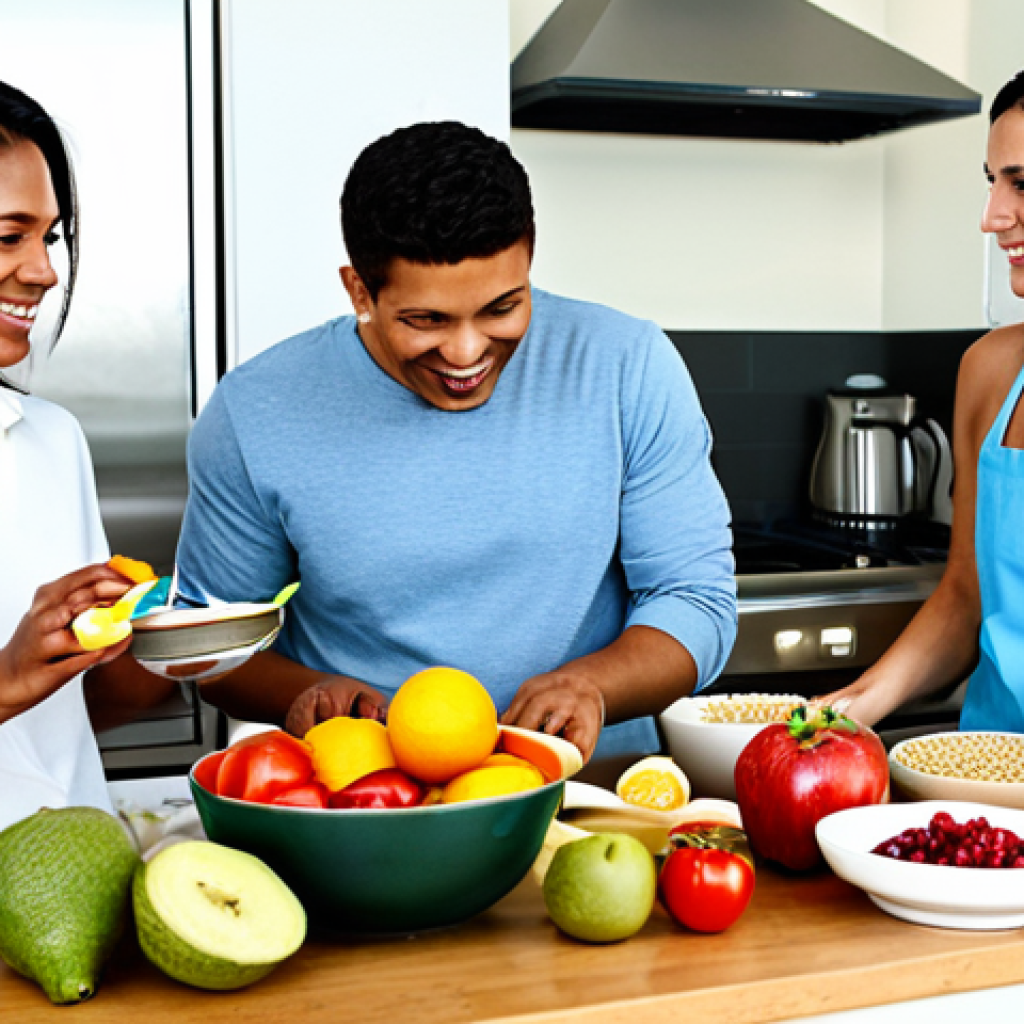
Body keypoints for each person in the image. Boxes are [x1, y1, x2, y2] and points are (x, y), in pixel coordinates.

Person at [175, 121, 737, 762]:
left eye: (502, 308)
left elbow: (695, 601)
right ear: (360, 289)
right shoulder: (256, 410)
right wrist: (305, 693)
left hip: (590, 789)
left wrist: (593, 687)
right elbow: (206, 645)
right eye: (426, 320)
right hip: (368, 797)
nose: (467, 353)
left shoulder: (626, 365)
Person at [821, 71, 1024, 731]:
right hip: (982, 785)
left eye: (1021, 184)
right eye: (991, 182)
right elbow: (967, 597)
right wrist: (846, 714)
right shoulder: (991, 372)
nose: (992, 216)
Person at [0, 80, 169, 830]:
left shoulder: (52, 442)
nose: (43, 271)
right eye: (9, 236)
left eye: (50, 236)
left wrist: (163, 646)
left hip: (73, 889)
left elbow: (83, 706)